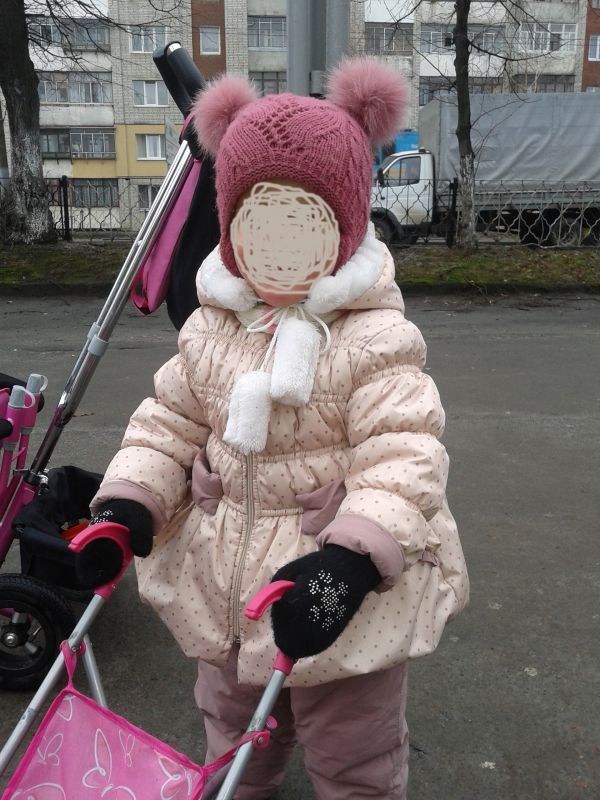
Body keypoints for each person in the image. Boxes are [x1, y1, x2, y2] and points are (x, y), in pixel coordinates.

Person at [77, 58, 469, 800]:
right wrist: (130, 502)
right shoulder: (212, 327)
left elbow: (404, 451)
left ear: (343, 227)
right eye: (260, 222)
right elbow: (168, 421)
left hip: (335, 591)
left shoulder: (373, 338)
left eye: (304, 222)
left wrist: (352, 560)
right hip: (228, 584)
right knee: (232, 729)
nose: (280, 245)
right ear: (230, 228)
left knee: (353, 748)